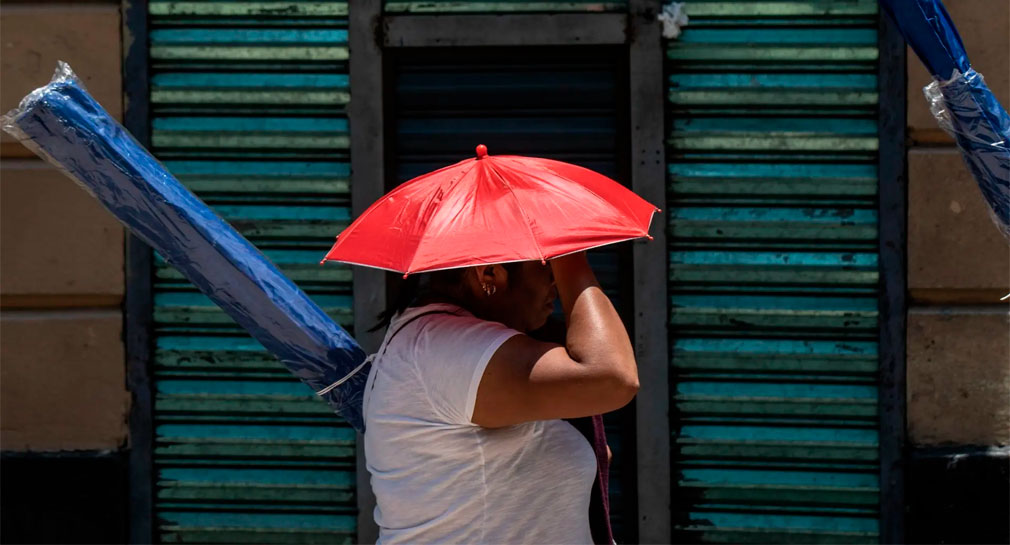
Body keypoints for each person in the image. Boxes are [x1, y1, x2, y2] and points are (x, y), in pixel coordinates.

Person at [362, 251, 639, 544]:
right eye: (549, 265)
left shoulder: (443, 341)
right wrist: (571, 256)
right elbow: (612, 379)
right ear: (489, 273)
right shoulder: (444, 348)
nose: (558, 284)